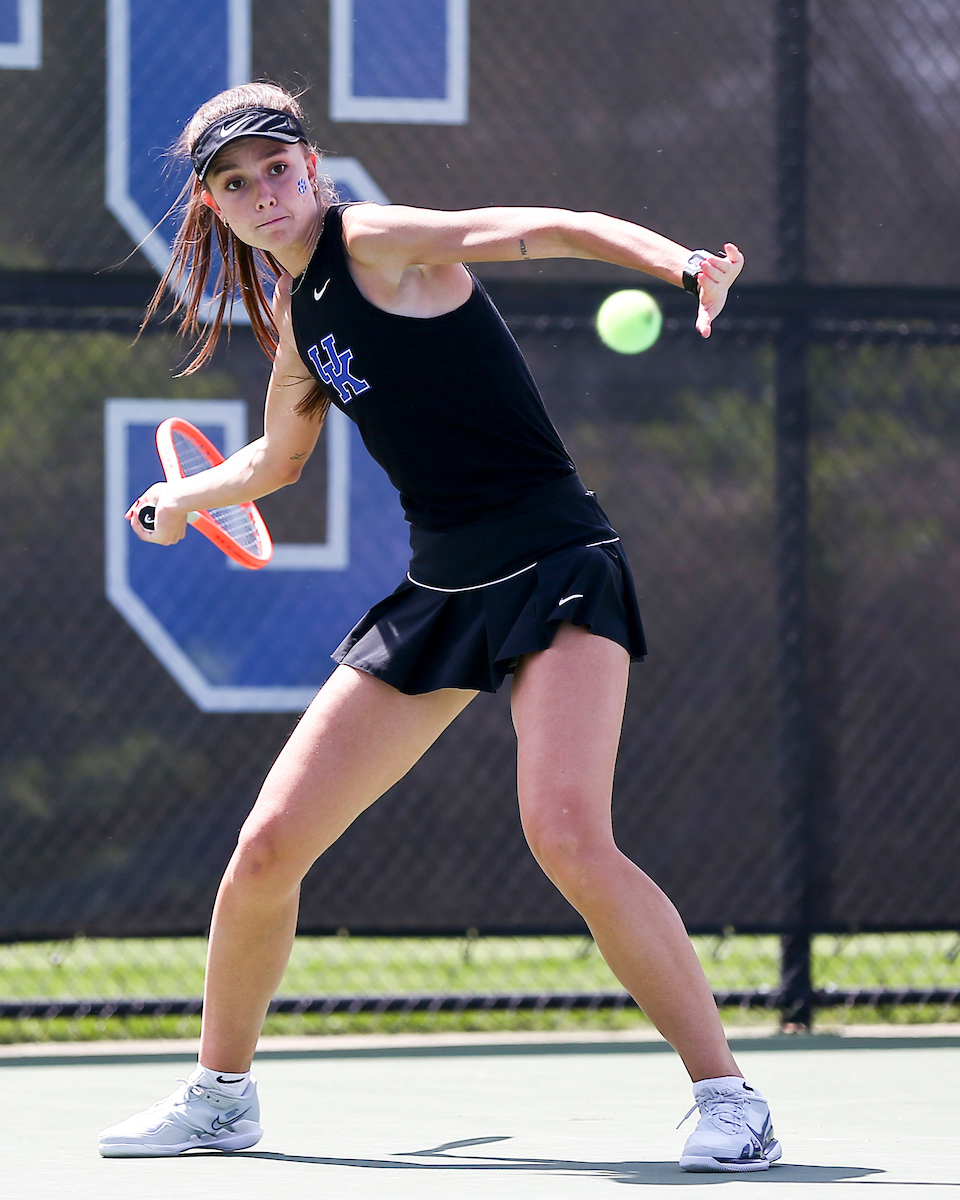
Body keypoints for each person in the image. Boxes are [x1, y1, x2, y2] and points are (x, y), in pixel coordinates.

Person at [98, 82, 780, 1173]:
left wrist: (680, 263)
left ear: (310, 169)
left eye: (278, 168)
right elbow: (275, 463)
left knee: (566, 832)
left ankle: (731, 1099)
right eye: (237, 183)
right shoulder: (297, 319)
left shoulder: (377, 240)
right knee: (267, 850)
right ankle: (220, 1097)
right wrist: (183, 503)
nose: (264, 192)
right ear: (214, 209)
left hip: (556, 561)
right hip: (442, 590)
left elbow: (544, 227)